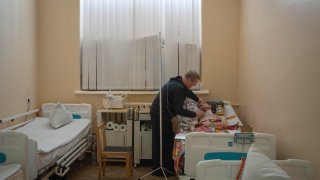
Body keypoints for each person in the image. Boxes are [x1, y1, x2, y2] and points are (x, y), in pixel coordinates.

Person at [150, 70, 205, 176]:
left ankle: (164, 166)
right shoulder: (178, 88)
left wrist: (198, 99)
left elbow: (188, 92)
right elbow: (179, 109)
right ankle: (161, 169)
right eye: (193, 84)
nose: (192, 86)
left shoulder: (178, 83)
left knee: (166, 139)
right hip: (160, 115)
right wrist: (196, 114)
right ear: (189, 80)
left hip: (160, 113)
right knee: (164, 140)